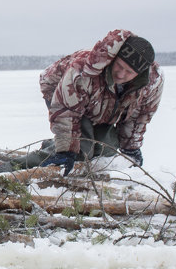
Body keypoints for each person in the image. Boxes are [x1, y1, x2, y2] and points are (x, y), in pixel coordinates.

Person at [14, 29, 164, 175]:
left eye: (129, 72)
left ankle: (54, 146)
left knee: (107, 148)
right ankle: (12, 169)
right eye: (119, 66)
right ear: (114, 58)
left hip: (101, 103)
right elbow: (66, 111)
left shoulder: (151, 83)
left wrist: (131, 148)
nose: (121, 74)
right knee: (82, 149)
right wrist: (66, 149)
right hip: (61, 93)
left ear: (140, 74)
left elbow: (138, 117)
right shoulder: (84, 69)